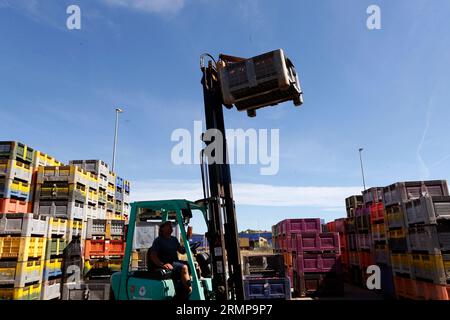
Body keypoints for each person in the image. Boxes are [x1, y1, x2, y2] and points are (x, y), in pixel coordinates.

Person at [150, 221, 192, 295]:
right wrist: (162, 264)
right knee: (184, 267)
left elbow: (181, 251)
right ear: (162, 228)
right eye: (168, 225)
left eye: (171, 225)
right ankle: (190, 291)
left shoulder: (174, 239)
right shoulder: (158, 240)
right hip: (168, 263)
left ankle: (188, 284)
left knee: (193, 265)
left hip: (175, 262)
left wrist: (187, 244)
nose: (170, 226)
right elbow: (153, 255)